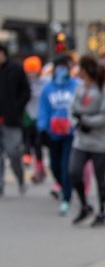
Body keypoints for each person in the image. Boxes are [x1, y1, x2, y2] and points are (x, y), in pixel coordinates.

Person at [69, 54, 105, 226]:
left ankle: (102, 211)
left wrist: (88, 121)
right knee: (74, 172)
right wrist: (76, 122)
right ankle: (84, 205)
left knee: (100, 177)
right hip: (82, 140)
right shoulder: (80, 89)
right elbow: (73, 109)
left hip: (101, 141)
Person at [37, 54, 79, 215]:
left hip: (71, 133)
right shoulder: (47, 88)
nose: (62, 70)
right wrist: (42, 129)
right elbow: (43, 110)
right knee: (54, 166)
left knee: (65, 166)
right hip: (53, 133)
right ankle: (64, 187)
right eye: (59, 66)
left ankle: (66, 198)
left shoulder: (76, 85)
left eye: (65, 66)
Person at [0, 44, 31, 197]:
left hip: (12, 120)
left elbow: (26, 91)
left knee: (13, 153)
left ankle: (20, 179)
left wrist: (17, 108)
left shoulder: (16, 69)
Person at [22, 55, 49, 184]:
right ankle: (31, 162)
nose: (31, 73)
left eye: (33, 70)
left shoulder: (45, 82)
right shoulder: (23, 83)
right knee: (28, 142)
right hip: (28, 116)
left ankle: (40, 170)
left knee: (38, 145)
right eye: (28, 71)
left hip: (41, 117)